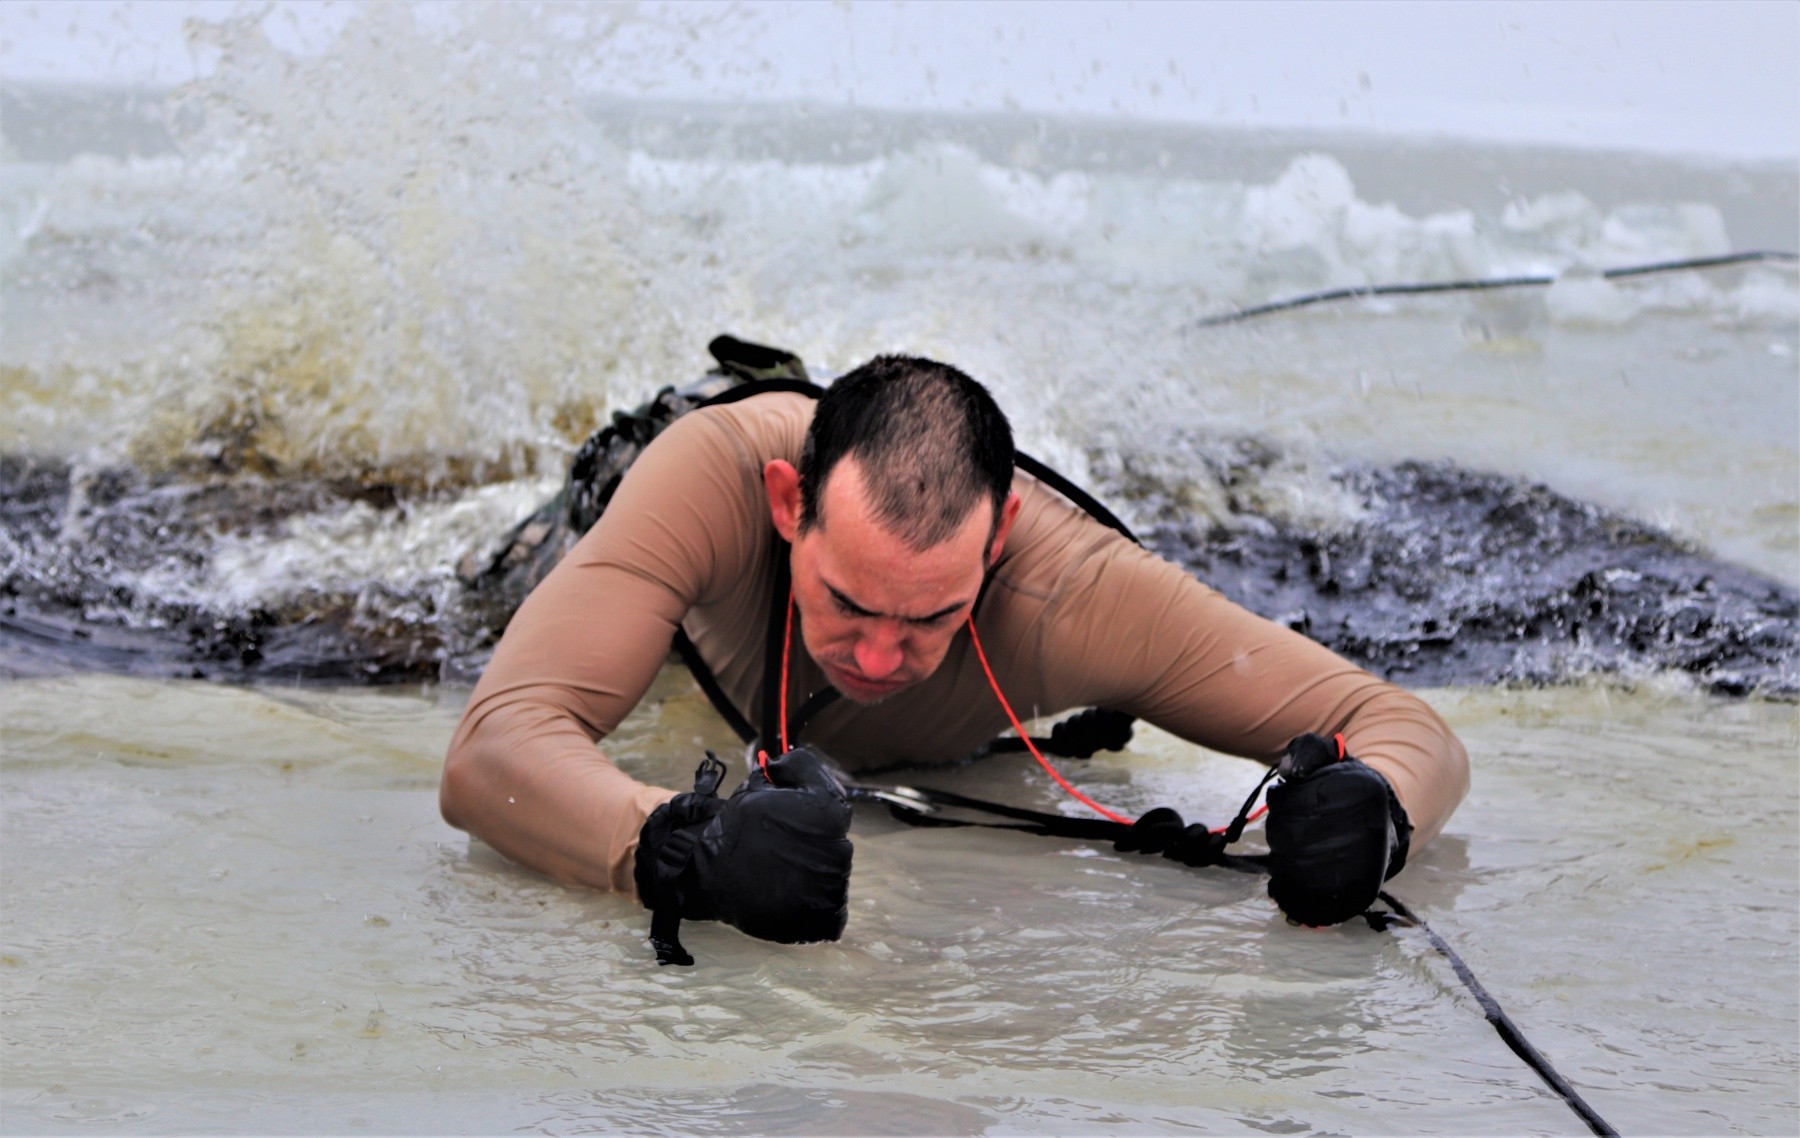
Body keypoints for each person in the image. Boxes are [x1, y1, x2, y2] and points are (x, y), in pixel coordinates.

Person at [440, 354, 1469, 962]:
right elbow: (491, 754)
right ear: (789, 508)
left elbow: (1410, 730)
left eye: (930, 616)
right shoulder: (714, 479)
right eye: (847, 601)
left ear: (998, 536)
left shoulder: (1074, 591)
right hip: (621, 535)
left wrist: (1376, 811)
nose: (881, 654)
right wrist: (678, 850)